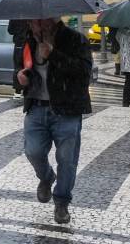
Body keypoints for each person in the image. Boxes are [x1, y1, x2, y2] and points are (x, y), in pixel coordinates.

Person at [15, 16, 92, 225]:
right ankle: (47, 177)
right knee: (33, 151)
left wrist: (54, 55)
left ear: (52, 21)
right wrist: (20, 79)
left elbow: (85, 73)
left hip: (67, 110)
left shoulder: (75, 40)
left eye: (38, 22)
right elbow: (18, 73)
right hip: (36, 108)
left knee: (67, 160)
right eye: (31, 22)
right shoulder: (27, 42)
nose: (34, 26)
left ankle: (61, 203)